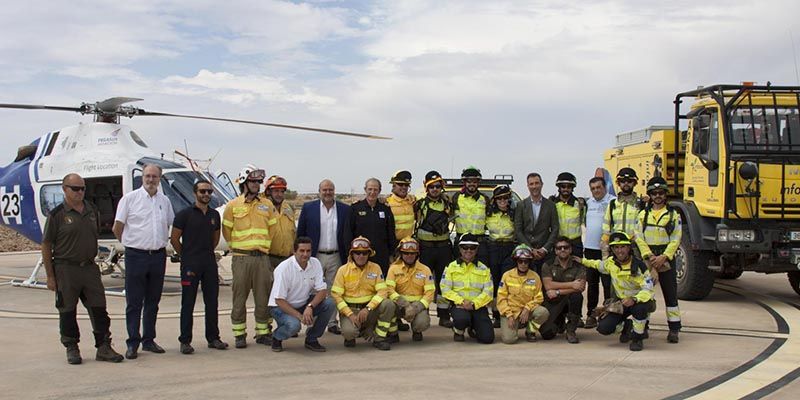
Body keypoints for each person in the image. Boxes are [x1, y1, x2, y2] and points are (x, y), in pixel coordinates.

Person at [42, 173, 124, 365]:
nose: (80, 192)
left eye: (82, 188)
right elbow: (46, 245)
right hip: (66, 269)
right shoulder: (57, 215)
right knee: (67, 310)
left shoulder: (91, 210)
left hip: (89, 267)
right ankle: (71, 346)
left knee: (99, 308)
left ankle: (103, 346)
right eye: (75, 188)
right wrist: (50, 276)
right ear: (64, 189)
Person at [113, 164, 174, 360]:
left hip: (157, 256)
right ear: (142, 178)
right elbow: (118, 226)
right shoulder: (130, 199)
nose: (151, 180)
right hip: (136, 256)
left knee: (153, 301)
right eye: (147, 176)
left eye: (154, 177)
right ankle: (133, 342)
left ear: (159, 179)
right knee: (134, 302)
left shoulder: (164, 201)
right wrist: (129, 244)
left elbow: (169, 222)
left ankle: (149, 340)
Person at [221, 164, 277, 349]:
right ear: (244, 182)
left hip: (261, 259)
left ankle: (263, 332)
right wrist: (239, 247)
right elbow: (227, 230)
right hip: (241, 259)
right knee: (239, 298)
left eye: (259, 181)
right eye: (253, 181)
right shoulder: (233, 205)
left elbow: (273, 230)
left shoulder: (267, 205)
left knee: (263, 298)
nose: (257, 184)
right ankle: (239, 334)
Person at [170, 179, 228, 355]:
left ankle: (213, 338)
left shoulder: (214, 215)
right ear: (195, 193)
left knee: (212, 302)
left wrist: (205, 253)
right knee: (188, 303)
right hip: (190, 264)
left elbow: (215, 239)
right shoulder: (184, 214)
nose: (206, 195)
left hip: (209, 263)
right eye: (202, 191)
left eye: (209, 192)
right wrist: (186, 255)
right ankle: (185, 341)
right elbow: (174, 239)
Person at [581, 232, 656, 351]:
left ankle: (637, 338)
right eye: (616, 247)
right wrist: (581, 260)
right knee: (604, 328)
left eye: (623, 247)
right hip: (621, 304)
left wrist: (635, 299)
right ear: (612, 249)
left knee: (640, 310)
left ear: (628, 248)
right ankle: (627, 327)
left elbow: (649, 289)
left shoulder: (639, 266)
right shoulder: (611, 263)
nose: (619, 251)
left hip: (639, 301)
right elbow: (597, 264)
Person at [296, 179, 352, 335]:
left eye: (330, 189)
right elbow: (301, 232)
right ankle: (311, 321)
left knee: (335, 290)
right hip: (315, 256)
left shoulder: (344, 209)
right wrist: (300, 255)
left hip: (336, 255)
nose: (328, 192)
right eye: (325, 190)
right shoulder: (309, 208)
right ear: (319, 191)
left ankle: (333, 322)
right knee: (314, 289)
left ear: (334, 191)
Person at [268, 236, 336, 352]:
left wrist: (310, 307)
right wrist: (300, 317)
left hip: (303, 303)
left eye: (308, 251)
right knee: (294, 326)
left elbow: (322, 291)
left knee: (330, 303)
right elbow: (279, 300)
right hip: (280, 308)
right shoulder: (284, 269)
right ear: (294, 252)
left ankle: (312, 339)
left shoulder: (315, 263)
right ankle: (277, 336)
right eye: (302, 251)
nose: (305, 254)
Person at [636, 176, 683, 343]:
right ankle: (643, 327)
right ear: (650, 194)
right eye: (654, 193)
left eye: (661, 193)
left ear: (665, 195)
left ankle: (674, 329)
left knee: (670, 295)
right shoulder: (642, 215)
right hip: (648, 258)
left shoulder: (673, 215)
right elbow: (639, 237)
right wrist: (649, 256)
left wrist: (664, 256)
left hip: (666, 258)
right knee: (645, 294)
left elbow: (676, 238)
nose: (657, 196)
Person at [330, 237, 396, 350]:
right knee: (349, 333)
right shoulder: (343, 270)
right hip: (351, 311)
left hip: (369, 310)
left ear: (369, 254)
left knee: (389, 304)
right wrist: (350, 314)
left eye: (364, 253)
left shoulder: (375, 268)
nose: (361, 256)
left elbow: (382, 292)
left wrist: (368, 308)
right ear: (352, 254)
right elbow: (336, 295)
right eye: (357, 253)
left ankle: (379, 338)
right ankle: (354, 333)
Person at [413, 170, 455, 328]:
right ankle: (419, 314)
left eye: (437, 186)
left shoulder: (448, 204)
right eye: (431, 187)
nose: (435, 189)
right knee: (422, 283)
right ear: (427, 188)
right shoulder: (419, 205)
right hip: (425, 250)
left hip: (443, 249)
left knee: (443, 283)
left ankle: (444, 315)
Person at [441, 234, 495, 344]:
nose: (468, 250)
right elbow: (445, 288)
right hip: (459, 306)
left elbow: (488, 292)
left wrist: (474, 304)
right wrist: (462, 301)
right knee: (462, 319)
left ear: (477, 249)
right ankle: (458, 330)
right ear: (460, 249)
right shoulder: (451, 267)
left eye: (472, 248)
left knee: (487, 339)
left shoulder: (483, 268)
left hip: (478, 307)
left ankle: (473, 327)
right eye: (465, 247)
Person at [496, 244, 549, 344]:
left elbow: (539, 297)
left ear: (529, 262)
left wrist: (527, 308)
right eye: (520, 261)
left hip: (527, 311)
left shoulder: (535, 277)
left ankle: (530, 330)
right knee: (509, 340)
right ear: (516, 261)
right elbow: (501, 298)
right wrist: (509, 315)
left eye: (526, 261)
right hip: (511, 312)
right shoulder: (507, 276)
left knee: (543, 312)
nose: (523, 264)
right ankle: (515, 326)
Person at [385, 237, 435, 342]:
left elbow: (430, 293)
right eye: (406, 253)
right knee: (387, 306)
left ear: (417, 254)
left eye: (412, 253)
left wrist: (417, 307)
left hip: (418, 305)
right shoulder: (393, 269)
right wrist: (405, 304)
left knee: (422, 323)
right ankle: (393, 334)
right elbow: (389, 290)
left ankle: (417, 331)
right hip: (399, 305)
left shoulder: (425, 270)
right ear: (401, 253)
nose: (409, 256)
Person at [540, 237, 586, 344]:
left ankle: (571, 330)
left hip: (566, 298)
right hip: (554, 301)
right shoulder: (548, 264)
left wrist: (557, 291)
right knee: (547, 334)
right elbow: (548, 286)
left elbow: (580, 287)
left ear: (570, 249)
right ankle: (559, 322)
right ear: (555, 251)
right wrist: (572, 285)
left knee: (577, 296)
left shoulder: (578, 265)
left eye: (566, 247)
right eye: (559, 248)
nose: (562, 250)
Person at [583, 176, 614, 329]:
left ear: (605, 187)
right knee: (592, 284)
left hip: (607, 250)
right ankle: (591, 314)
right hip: (590, 249)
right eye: (593, 188)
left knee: (608, 284)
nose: (596, 190)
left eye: (598, 187)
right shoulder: (588, 203)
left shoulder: (613, 201)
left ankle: (608, 313)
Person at [348, 178, 396, 274]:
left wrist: (391, 254)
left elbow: (390, 233)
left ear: (379, 191)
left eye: (375, 189)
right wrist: (350, 254)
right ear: (365, 189)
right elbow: (348, 233)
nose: (372, 192)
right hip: (360, 255)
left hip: (381, 256)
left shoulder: (385, 210)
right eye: (370, 189)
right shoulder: (355, 209)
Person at [514, 172, 559, 275]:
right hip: (526, 253)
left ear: (542, 184)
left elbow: (555, 229)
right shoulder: (521, 205)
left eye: (536, 183)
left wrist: (545, 249)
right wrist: (530, 249)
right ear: (528, 186)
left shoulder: (551, 205)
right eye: (531, 184)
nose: (534, 186)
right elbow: (518, 230)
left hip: (545, 254)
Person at [485, 185, 516, 328]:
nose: (503, 201)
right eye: (499, 198)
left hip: (509, 248)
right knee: (495, 283)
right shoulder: (489, 213)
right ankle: (496, 315)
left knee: (507, 282)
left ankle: (508, 313)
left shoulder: (514, 214)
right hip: (493, 248)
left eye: (505, 197)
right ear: (495, 200)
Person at [601, 167, 646, 259]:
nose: (626, 183)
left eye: (629, 181)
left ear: (635, 183)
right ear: (618, 183)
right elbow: (606, 229)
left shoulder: (641, 204)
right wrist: (605, 254)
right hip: (616, 247)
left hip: (635, 247)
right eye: (623, 181)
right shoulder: (613, 204)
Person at [451, 166, 490, 266]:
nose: (472, 184)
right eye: (469, 181)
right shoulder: (456, 197)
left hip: (480, 243)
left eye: (474, 181)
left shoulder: (485, 199)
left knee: (482, 272)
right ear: (464, 182)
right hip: (461, 242)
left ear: (478, 183)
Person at [549, 172, 586, 256]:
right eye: (563, 186)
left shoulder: (580, 204)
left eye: (569, 186)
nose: (566, 189)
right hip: (559, 244)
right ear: (559, 188)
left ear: (573, 188)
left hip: (575, 245)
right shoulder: (552, 204)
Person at [265, 175, 296, 269]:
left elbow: (293, 231)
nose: (279, 194)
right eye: (276, 191)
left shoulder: (288, 208)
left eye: (282, 191)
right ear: (268, 192)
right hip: (268, 259)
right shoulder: (262, 209)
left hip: (288, 259)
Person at [386, 170, 416, 243]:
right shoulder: (387, 203)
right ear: (393, 185)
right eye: (400, 184)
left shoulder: (412, 201)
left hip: (409, 244)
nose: (404, 187)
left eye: (406, 185)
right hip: (392, 243)